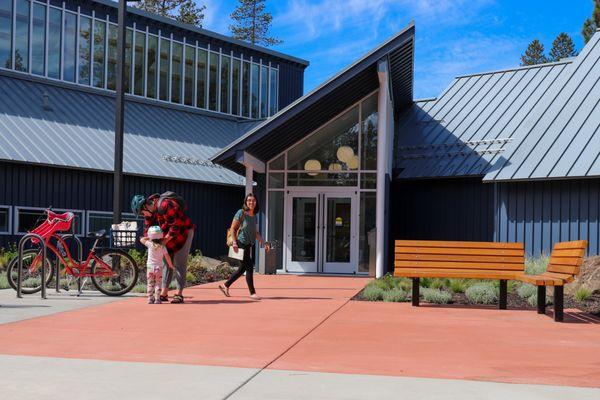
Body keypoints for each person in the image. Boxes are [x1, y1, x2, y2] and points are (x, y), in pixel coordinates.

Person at [131, 192, 195, 304]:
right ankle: (164, 293)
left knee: (179, 262)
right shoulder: (149, 212)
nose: (143, 215)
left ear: (145, 206)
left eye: (142, 213)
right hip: (168, 233)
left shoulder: (165, 204)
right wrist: (148, 240)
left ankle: (179, 294)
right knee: (165, 262)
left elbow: (176, 225)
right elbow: (147, 228)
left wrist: (163, 242)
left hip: (184, 231)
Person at [219, 193, 268, 300]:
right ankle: (252, 293)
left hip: (248, 244)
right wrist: (235, 243)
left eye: (253, 200)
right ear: (246, 202)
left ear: (256, 202)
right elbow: (233, 228)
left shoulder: (254, 215)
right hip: (241, 243)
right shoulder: (241, 212)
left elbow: (254, 231)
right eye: (249, 200)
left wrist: (261, 240)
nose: (251, 202)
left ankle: (225, 285)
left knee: (242, 269)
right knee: (249, 267)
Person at [140, 226, 174, 304]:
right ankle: (157, 299)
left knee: (150, 283)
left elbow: (141, 239)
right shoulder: (162, 246)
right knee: (158, 283)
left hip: (150, 267)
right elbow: (167, 257)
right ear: (161, 235)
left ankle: (150, 299)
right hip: (159, 267)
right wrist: (170, 265)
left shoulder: (149, 244)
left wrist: (149, 237)